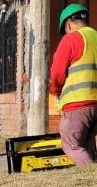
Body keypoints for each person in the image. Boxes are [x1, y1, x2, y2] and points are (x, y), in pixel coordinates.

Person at [49, 4, 97, 165]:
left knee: (71, 144)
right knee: (87, 144)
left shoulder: (70, 39)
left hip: (78, 103)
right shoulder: (95, 37)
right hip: (95, 103)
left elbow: (57, 74)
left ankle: (91, 177)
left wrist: (55, 91)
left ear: (68, 25)